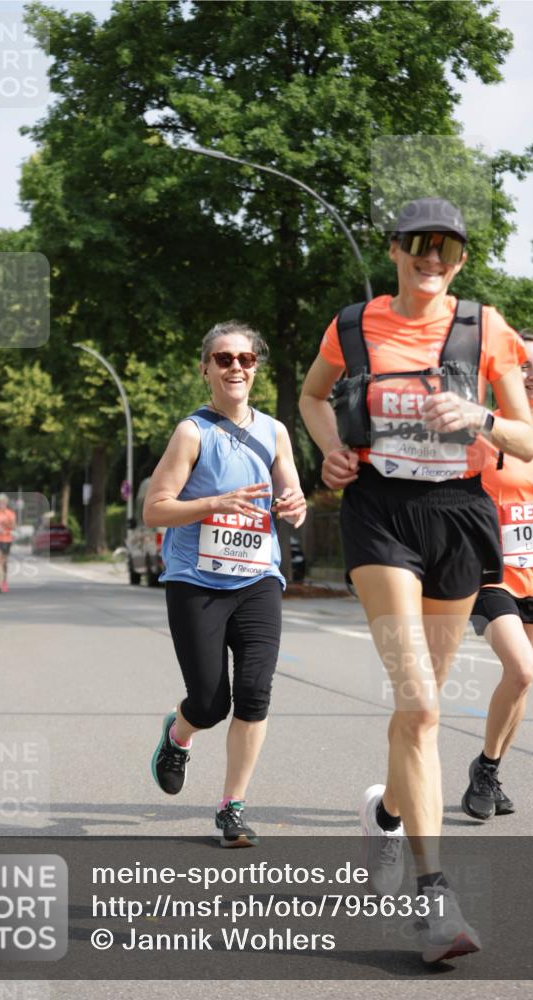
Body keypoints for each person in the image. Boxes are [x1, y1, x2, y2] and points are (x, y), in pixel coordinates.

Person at [299, 197, 533, 963]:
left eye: (447, 247)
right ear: (395, 249)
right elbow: (311, 396)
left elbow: (527, 440)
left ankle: (388, 813)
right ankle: (433, 902)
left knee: (417, 714)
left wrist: (478, 417)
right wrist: (333, 450)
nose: (431, 257)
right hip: (380, 515)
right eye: (417, 244)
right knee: (422, 706)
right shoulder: (351, 324)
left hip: (459, 516)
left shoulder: (485, 326)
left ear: (460, 259)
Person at [144, 320, 307, 847]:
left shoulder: (276, 431)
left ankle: (231, 809)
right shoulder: (193, 432)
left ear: (256, 367)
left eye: (246, 358)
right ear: (206, 369)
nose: (235, 366)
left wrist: (295, 506)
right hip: (196, 581)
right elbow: (155, 509)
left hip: (259, 577)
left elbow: (293, 497)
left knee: (255, 694)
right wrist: (213, 504)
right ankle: (178, 735)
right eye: (223, 358)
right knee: (211, 704)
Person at [463, 331, 533, 820]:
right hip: (493, 572)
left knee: (521, 682)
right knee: (522, 669)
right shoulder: (489, 433)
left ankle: (489, 768)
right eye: (523, 366)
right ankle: (486, 767)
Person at [0, 494, 16, 593]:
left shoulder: (10, 514)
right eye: (0, 502)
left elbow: (14, 527)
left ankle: (4, 581)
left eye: (3, 502)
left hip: (7, 539)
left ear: (6, 503)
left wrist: (7, 524)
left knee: (4, 562)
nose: (1, 504)